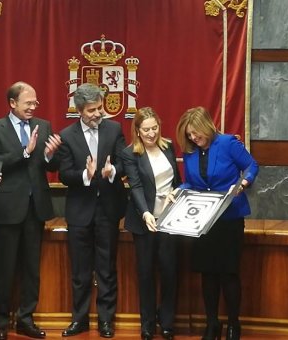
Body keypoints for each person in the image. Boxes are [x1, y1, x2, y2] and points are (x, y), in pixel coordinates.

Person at [0, 81, 62, 340]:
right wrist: (24, 152)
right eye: (28, 103)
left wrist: (50, 155)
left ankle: (26, 319)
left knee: (31, 270)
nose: (33, 107)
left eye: (35, 103)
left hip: (35, 208)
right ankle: (0, 322)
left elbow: (51, 165)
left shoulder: (44, 125)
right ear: (12, 103)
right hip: (7, 209)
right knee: (5, 269)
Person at [175, 107, 259, 340]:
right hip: (203, 221)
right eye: (189, 135)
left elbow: (252, 166)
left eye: (195, 133)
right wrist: (178, 191)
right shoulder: (191, 152)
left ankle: (234, 324)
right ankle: (212, 324)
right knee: (208, 274)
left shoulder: (227, 143)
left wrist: (243, 184)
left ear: (206, 127)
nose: (193, 138)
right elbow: (191, 183)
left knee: (228, 273)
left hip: (229, 218)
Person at [57, 83, 127, 338]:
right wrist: (85, 175)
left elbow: (124, 163)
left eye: (100, 108)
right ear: (79, 111)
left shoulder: (115, 129)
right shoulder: (66, 135)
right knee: (80, 270)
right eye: (92, 110)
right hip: (79, 212)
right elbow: (64, 174)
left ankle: (106, 320)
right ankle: (80, 319)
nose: (98, 114)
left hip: (108, 209)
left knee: (107, 268)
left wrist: (112, 172)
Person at [122, 107, 181, 340]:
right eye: (145, 130)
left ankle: (166, 322)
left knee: (169, 271)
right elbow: (135, 186)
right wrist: (145, 212)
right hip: (144, 222)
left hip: (169, 220)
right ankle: (147, 324)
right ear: (137, 130)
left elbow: (176, 180)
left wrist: (175, 193)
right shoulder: (130, 153)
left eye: (154, 128)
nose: (151, 133)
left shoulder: (167, 146)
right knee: (146, 274)